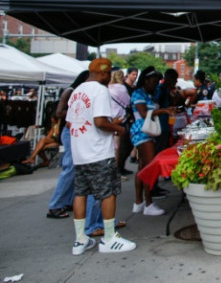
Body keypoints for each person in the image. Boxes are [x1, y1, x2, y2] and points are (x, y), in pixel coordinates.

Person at [67, 58, 135, 254]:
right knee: (108, 193)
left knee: (81, 194)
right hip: (98, 152)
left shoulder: (77, 90)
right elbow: (99, 122)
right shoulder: (100, 90)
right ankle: (109, 238)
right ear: (104, 74)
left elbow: (70, 124)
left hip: (80, 153)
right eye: (108, 74)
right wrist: (118, 129)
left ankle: (80, 240)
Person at [129, 66, 174, 216]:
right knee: (149, 168)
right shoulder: (138, 93)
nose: (156, 84)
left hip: (146, 132)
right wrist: (163, 111)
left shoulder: (147, 94)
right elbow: (142, 113)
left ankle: (139, 202)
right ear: (146, 80)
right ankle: (148, 204)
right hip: (142, 132)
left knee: (142, 168)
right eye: (154, 81)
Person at [46, 70, 89, 219]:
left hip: (76, 131)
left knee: (75, 167)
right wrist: (80, 110)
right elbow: (59, 112)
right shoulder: (70, 91)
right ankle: (55, 205)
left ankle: (67, 201)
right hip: (69, 131)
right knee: (70, 166)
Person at [109, 69, 134, 177]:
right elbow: (128, 101)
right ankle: (116, 170)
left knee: (111, 146)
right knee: (118, 147)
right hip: (120, 119)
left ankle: (112, 170)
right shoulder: (121, 88)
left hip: (109, 118)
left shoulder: (107, 88)